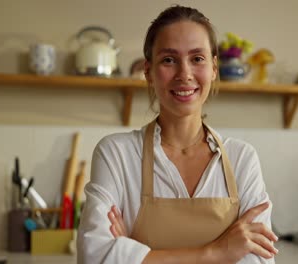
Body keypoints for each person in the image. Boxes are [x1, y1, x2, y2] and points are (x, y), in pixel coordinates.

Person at [78, 5, 278, 264]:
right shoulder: (116, 154)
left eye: (197, 58)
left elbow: (258, 261)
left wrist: (135, 253)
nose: (184, 74)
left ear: (214, 68)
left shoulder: (242, 159)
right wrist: (218, 252)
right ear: (148, 72)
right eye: (169, 60)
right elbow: (94, 258)